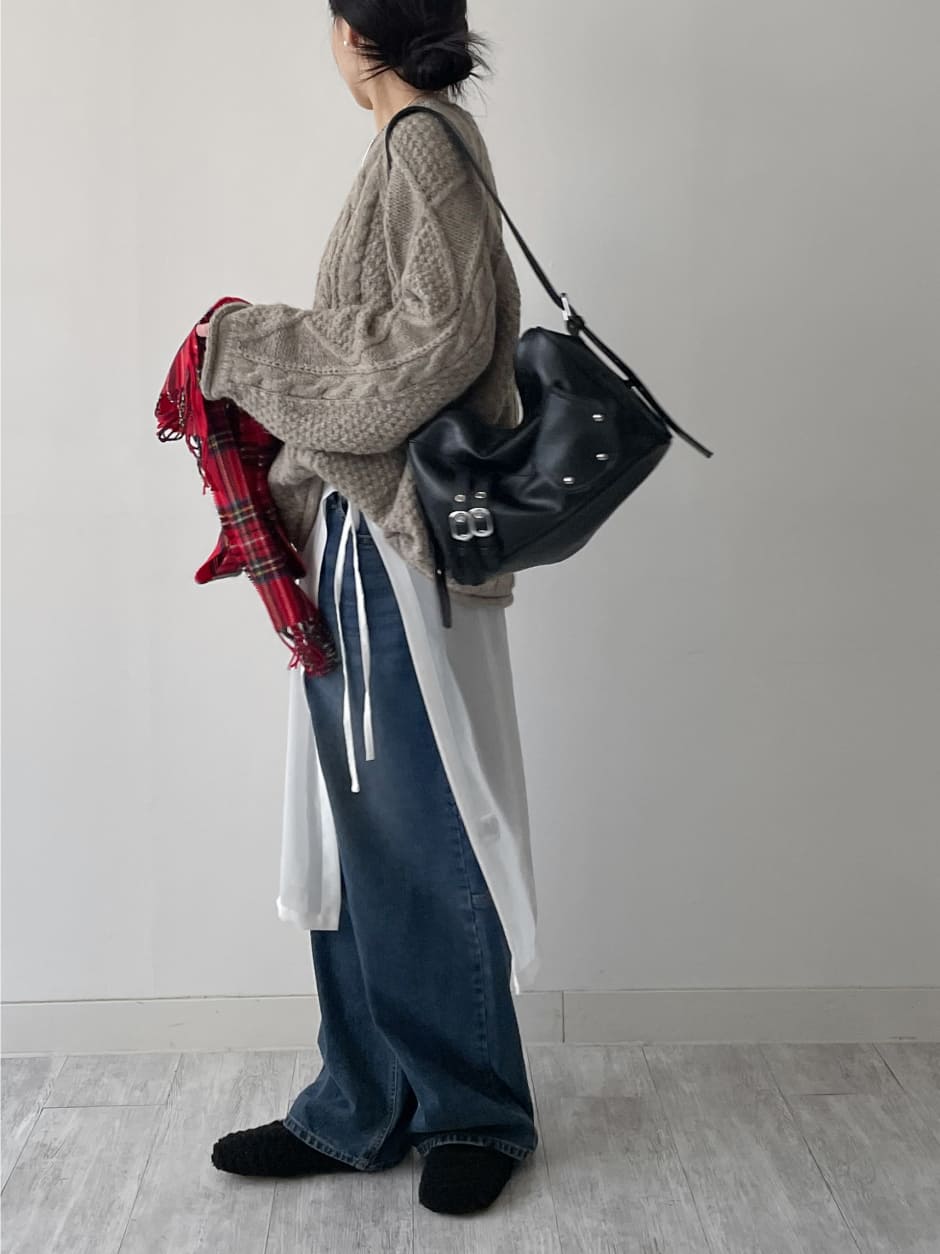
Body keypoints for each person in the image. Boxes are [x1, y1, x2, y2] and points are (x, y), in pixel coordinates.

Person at [196, 0, 539, 1216]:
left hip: (391, 537)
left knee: (411, 825)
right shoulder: (416, 141)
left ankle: (473, 1114)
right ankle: (363, 1105)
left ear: (353, 31)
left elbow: (432, 342)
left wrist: (247, 342)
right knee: (363, 830)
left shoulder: (423, 143)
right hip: (366, 531)